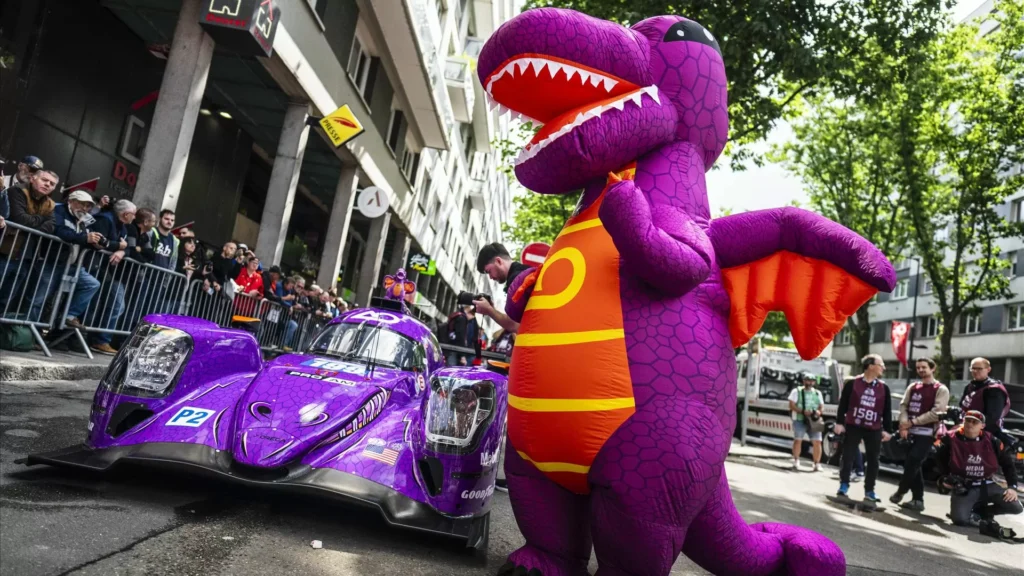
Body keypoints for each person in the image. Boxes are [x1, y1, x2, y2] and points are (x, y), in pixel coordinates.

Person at [936, 410, 1021, 527]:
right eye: (968, 420)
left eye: (975, 422)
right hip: (965, 486)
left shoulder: (993, 441)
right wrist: (946, 478)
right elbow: (940, 460)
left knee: (1016, 507)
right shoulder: (950, 439)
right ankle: (968, 513)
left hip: (988, 484)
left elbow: (1008, 465)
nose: (970, 424)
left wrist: (1012, 487)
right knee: (960, 520)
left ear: (982, 426)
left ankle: (982, 512)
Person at [890, 357, 950, 511]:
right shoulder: (913, 387)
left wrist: (913, 422)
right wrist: (904, 426)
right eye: (918, 368)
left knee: (913, 461)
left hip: (927, 434)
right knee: (913, 466)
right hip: (909, 433)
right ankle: (918, 500)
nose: (921, 370)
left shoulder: (941, 389)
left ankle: (901, 491)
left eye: (924, 367)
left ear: (932, 368)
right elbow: (904, 406)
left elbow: (936, 413)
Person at [834, 354, 893, 507]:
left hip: (874, 428)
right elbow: (843, 404)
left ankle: (869, 490)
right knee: (848, 455)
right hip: (853, 425)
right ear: (871, 366)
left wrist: (888, 430)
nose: (883, 368)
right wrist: (839, 423)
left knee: (873, 460)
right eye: (881, 365)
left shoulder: (883, 388)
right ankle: (844, 485)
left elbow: (887, 411)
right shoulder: (852, 383)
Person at [87, 199, 136, 354]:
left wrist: (122, 251)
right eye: (133, 214)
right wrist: (119, 246)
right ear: (126, 214)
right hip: (94, 266)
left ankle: (101, 340)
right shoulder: (105, 219)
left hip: (109, 271)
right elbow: (98, 242)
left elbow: (129, 248)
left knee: (116, 305)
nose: (134, 217)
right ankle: (85, 339)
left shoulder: (124, 227)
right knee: (92, 304)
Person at [473, 243, 530, 333]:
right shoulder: (525, 271)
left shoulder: (516, 280)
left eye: (489, 271)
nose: (490, 277)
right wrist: (492, 309)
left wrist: (489, 310)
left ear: (498, 261)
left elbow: (515, 325)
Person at [959, 357, 1014, 449]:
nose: (975, 371)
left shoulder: (994, 389)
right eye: (973, 368)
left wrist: (972, 426)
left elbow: (992, 417)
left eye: (979, 369)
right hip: (966, 431)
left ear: (988, 369)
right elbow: (962, 406)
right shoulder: (969, 387)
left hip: (988, 434)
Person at [789, 372, 825, 472]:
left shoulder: (817, 393)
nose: (810, 383)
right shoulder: (796, 391)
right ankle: (796, 460)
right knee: (798, 440)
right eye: (808, 380)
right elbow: (791, 405)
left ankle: (817, 463)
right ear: (804, 381)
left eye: (812, 381)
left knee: (817, 441)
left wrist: (818, 412)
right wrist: (802, 411)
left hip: (813, 420)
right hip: (799, 419)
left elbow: (821, 406)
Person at [7, 169, 57, 234]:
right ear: (32, 179)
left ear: (53, 189)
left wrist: (31, 229)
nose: (48, 184)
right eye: (44, 180)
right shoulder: (18, 190)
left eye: (52, 184)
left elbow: (51, 227)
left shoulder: (50, 204)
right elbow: (20, 219)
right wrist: (44, 218)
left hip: (25, 238)